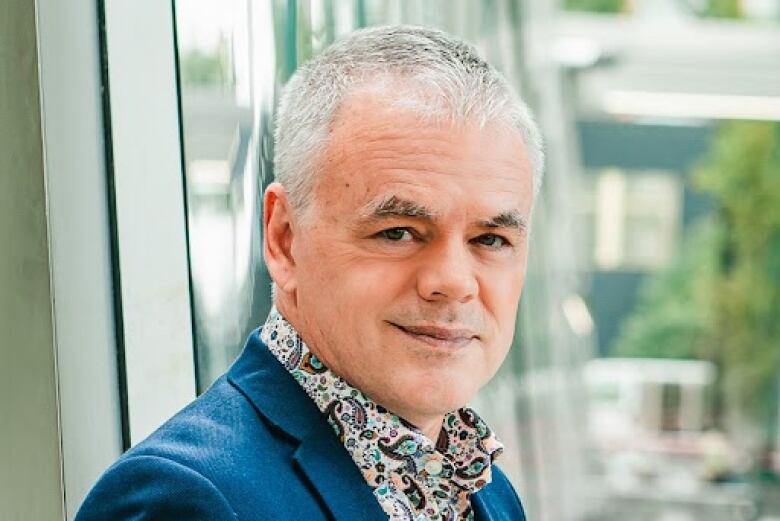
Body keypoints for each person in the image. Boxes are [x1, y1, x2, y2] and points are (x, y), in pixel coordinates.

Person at [76, 24, 543, 521]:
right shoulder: (185, 499)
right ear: (283, 239)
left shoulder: (487, 492)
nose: (453, 281)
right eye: (398, 232)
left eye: (490, 240)